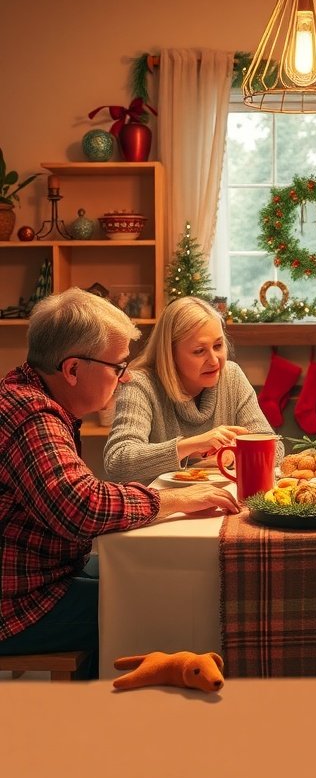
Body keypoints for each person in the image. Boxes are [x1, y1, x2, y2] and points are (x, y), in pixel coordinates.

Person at [0, 289, 239, 678]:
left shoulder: (25, 396)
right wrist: (173, 500)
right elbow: (83, 507)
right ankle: (114, 724)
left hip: (44, 577)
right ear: (73, 370)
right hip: (20, 604)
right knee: (162, 604)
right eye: (117, 367)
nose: (125, 376)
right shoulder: (33, 418)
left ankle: (94, 701)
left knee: (148, 574)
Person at [104, 295, 281, 486]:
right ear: (170, 354)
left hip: (221, 501)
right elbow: (118, 461)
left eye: (218, 346)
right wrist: (191, 445)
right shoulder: (140, 383)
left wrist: (233, 455)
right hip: (162, 508)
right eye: (199, 351)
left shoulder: (232, 376)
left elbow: (275, 448)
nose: (214, 360)